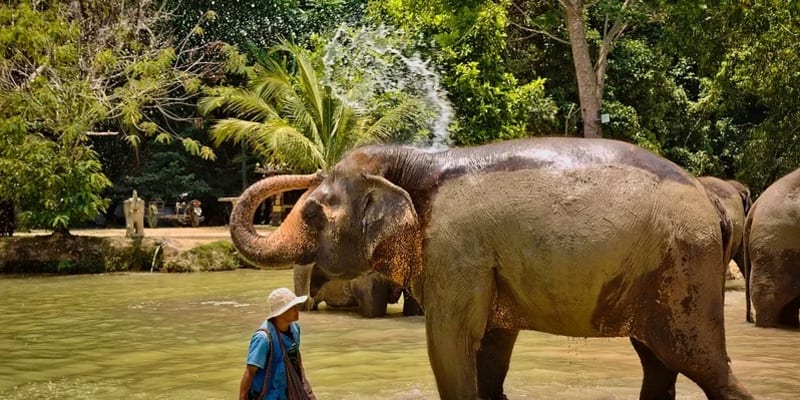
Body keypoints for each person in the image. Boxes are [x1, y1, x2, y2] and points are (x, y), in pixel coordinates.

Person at [239, 287, 315, 400]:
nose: (297, 310)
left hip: (288, 391)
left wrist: (304, 385)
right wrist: (242, 397)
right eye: (292, 307)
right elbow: (250, 372)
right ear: (282, 312)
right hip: (268, 395)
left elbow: (296, 355)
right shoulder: (263, 338)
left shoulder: (295, 329)